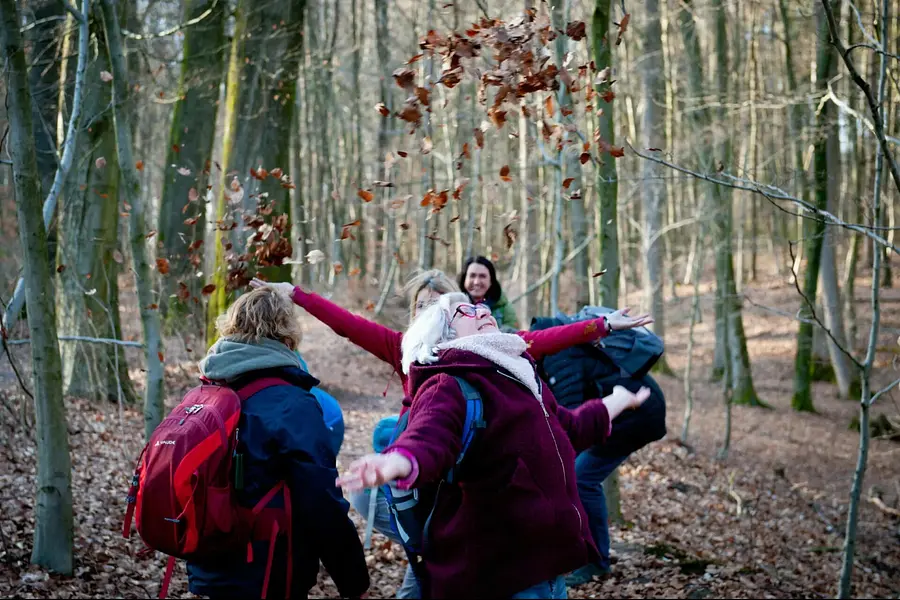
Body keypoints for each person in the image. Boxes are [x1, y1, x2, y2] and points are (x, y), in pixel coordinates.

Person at [336, 292, 651, 599]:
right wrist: (397, 461)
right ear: (441, 334)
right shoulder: (446, 383)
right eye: (463, 312)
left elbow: (566, 430)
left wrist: (615, 402)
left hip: (548, 568)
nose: (480, 310)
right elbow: (430, 434)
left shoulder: (518, 374)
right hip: (501, 577)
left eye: (477, 306)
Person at [186, 287, 369, 600]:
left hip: (210, 562)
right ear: (287, 333)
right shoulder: (291, 404)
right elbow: (321, 502)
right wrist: (354, 583)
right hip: (267, 571)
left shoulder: (208, 392)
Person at [458, 255, 519, 331]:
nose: (476, 282)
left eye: (482, 276)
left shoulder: (505, 309)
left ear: (491, 281)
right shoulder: (452, 306)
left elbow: (513, 337)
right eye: (472, 276)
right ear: (464, 279)